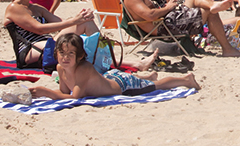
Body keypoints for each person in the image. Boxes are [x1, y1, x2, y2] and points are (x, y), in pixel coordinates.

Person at [28, 33, 199, 100]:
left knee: (157, 86)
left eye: (70, 54)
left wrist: (45, 92)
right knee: (141, 80)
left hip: (122, 86)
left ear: (80, 56)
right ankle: (146, 76)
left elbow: (75, 98)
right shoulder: (60, 68)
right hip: (111, 78)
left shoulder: (84, 68)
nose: (65, 58)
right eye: (62, 54)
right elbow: (65, 93)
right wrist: (42, 92)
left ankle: (186, 79)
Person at [123, 0, 240, 57]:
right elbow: (149, 16)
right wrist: (168, 7)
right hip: (165, 27)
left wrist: (167, 4)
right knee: (208, 12)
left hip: (168, 20)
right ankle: (227, 49)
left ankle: (213, 5)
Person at [4, 0, 100, 68]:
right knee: (79, 26)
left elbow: (62, 23)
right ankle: (102, 58)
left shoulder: (36, 8)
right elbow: (39, 29)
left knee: (86, 22)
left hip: (47, 45)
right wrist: (74, 21)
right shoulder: (14, 8)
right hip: (30, 50)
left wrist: (81, 17)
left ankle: (105, 55)